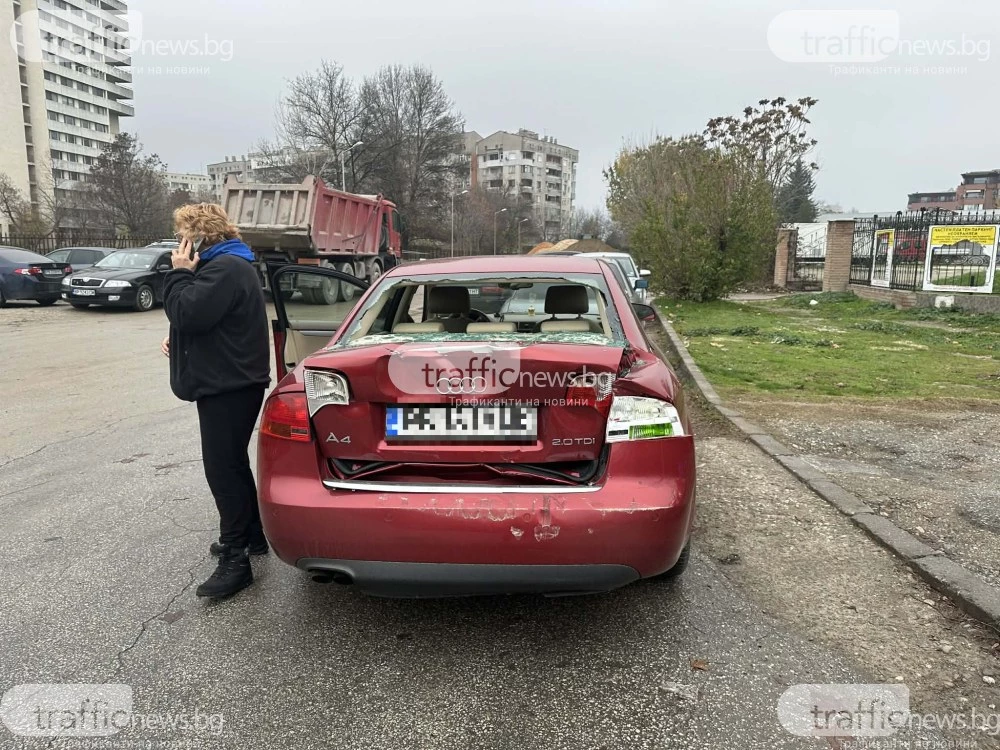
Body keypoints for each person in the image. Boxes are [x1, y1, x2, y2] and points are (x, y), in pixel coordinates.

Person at [161, 203, 271, 598]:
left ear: (198, 237)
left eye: (183, 236)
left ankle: (236, 558)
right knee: (232, 463)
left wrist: (178, 273)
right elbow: (206, 321)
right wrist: (180, 342)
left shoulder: (224, 268)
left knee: (221, 470)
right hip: (232, 380)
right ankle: (254, 536)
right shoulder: (229, 266)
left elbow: (188, 312)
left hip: (230, 385)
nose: (179, 244)